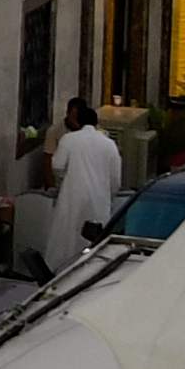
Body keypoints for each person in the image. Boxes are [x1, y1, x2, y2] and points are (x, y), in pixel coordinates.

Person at [50, 98, 125, 253]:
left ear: (78, 122)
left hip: (72, 197)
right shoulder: (109, 144)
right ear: (96, 123)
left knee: (68, 238)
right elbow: (116, 179)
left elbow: (57, 166)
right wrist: (109, 195)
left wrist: (66, 178)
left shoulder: (68, 139)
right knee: (95, 240)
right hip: (99, 200)